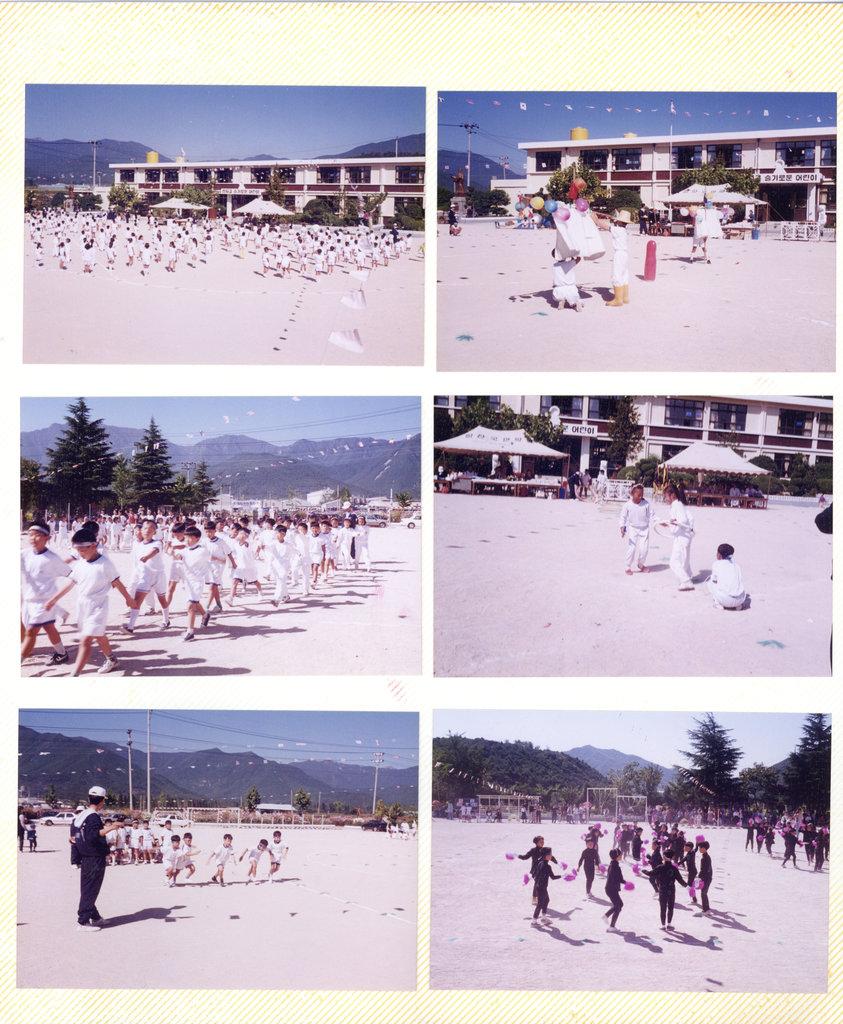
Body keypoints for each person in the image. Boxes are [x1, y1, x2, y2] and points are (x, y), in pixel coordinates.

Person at [45, 529, 137, 675]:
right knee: (99, 635)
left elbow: (117, 583)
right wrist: (53, 599)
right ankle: (112, 659)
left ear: (93, 545)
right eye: (77, 549)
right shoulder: (80, 564)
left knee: (86, 640)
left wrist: (129, 599)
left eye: (82, 549)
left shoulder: (105, 564)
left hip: (98, 607)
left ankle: (75, 674)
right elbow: (70, 584)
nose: (80, 553)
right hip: (83, 606)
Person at [20, 521, 71, 667]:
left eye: (37, 535)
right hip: (28, 602)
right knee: (49, 627)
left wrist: (55, 598)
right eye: (30, 534)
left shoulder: (52, 558)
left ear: (47, 538)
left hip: (45, 603)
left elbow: (72, 577)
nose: (32, 538)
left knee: (31, 632)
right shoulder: (23, 554)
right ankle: (62, 653)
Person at [73, 786, 122, 931]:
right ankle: (82, 922)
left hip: (86, 856)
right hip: (94, 857)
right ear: (101, 801)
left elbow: (75, 835)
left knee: (89, 888)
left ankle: (94, 917)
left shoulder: (83, 814)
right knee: (91, 889)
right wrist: (112, 827)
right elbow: (93, 835)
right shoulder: (93, 816)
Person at [661, 483, 695, 591]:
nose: (665, 499)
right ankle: (688, 575)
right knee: (684, 559)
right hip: (683, 536)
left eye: (666, 496)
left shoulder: (677, 505)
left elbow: (682, 520)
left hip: (682, 537)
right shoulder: (678, 505)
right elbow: (683, 520)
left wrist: (672, 522)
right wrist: (668, 523)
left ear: (672, 495)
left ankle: (686, 581)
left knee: (674, 561)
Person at [644, 851, 687, 929]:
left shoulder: (660, 867)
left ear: (664, 857)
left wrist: (644, 871)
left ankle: (663, 925)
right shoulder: (674, 868)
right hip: (671, 889)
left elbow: (650, 873)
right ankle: (669, 924)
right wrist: (688, 886)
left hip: (663, 889)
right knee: (670, 907)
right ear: (672, 857)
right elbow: (680, 880)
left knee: (663, 908)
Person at [618, 484, 653, 575]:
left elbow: (652, 515)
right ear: (632, 494)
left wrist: (659, 522)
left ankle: (640, 565)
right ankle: (627, 566)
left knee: (644, 549)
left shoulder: (646, 504)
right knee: (632, 548)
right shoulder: (627, 505)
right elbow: (623, 517)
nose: (641, 497)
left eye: (642, 494)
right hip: (633, 528)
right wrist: (622, 527)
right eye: (638, 495)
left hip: (644, 529)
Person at [602, 209, 631, 307]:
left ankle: (618, 300)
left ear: (620, 221)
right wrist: (614, 220)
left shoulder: (617, 230)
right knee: (624, 275)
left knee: (617, 275)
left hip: (619, 254)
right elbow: (614, 225)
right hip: (625, 254)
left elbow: (602, 225)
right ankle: (624, 297)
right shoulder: (623, 230)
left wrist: (593, 217)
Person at [707, 542, 746, 609]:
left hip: (725, 600)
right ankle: (738, 606)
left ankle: (718, 604)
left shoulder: (716, 564)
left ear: (719, 555)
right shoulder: (736, 565)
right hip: (741, 599)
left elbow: (714, 581)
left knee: (711, 583)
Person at [532, 848, 561, 925]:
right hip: (542, 888)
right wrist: (562, 876)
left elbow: (536, 875)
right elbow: (553, 877)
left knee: (546, 900)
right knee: (540, 904)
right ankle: (534, 921)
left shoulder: (540, 863)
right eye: (550, 854)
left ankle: (543, 918)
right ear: (546, 856)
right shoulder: (547, 866)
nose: (551, 856)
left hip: (540, 887)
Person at [551, 248, 582, 312]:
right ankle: (576, 303)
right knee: (574, 297)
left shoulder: (555, 265)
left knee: (556, 296)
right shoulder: (570, 263)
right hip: (571, 288)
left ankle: (561, 301)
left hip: (559, 289)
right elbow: (578, 258)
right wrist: (571, 255)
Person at [603, 848, 626, 931]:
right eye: (620, 854)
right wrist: (625, 883)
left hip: (611, 889)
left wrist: (624, 882)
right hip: (611, 889)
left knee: (619, 905)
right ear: (617, 856)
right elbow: (617, 878)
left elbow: (618, 878)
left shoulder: (613, 864)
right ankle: (611, 926)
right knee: (618, 905)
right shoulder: (615, 866)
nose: (621, 855)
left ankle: (606, 916)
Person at [698, 840, 713, 913]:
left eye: (700, 848)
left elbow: (705, 869)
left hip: (706, 878)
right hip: (707, 877)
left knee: (703, 893)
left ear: (704, 848)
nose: (699, 849)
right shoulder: (705, 856)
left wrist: (699, 877)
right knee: (703, 893)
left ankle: (706, 909)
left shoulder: (705, 858)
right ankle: (706, 908)